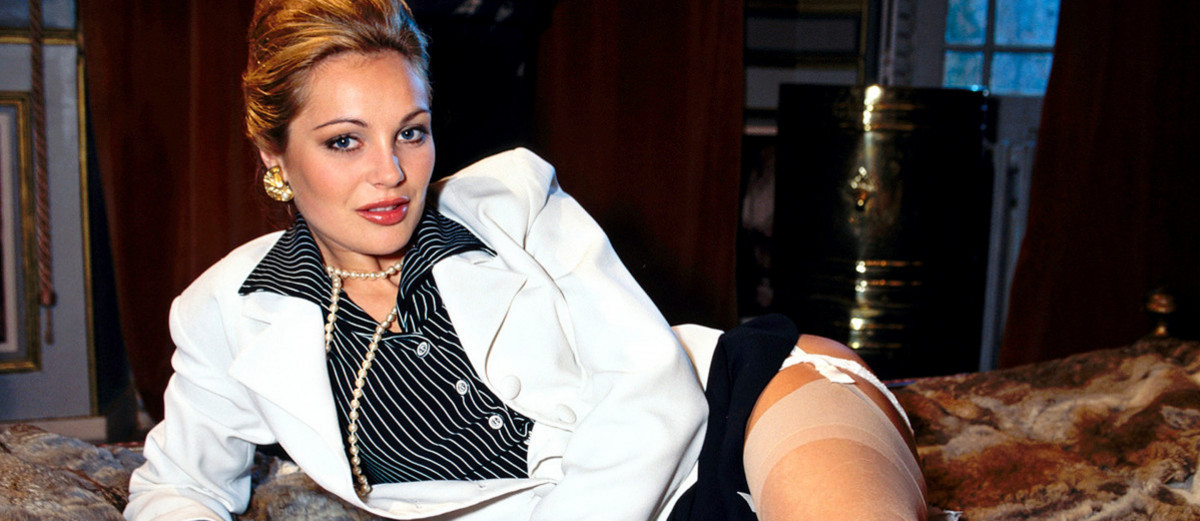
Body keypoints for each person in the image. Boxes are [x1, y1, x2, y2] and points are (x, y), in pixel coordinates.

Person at [125, 1, 927, 520]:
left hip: (744, 405)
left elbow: (655, 394)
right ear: (274, 154)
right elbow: (180, 484)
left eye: (411, 131)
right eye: (343, 141)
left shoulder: (513, 201)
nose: (391, 172)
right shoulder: (227, 311)